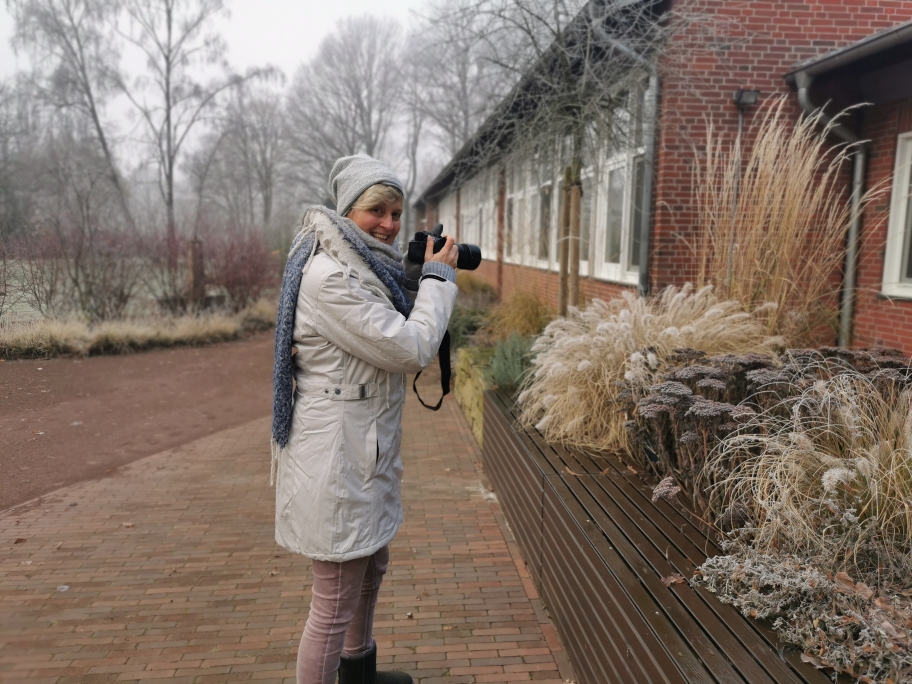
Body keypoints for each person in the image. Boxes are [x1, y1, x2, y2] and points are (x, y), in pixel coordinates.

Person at [271, 154, 458, 684]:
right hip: (336, 455)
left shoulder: (363, 262)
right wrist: (439, 281)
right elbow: (411, 346)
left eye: (397, 212)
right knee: (333, 598)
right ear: (346, 209)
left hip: (361, 446)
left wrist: (421, 275)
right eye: (377, 210)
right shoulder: (330, 275)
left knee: (369, 565)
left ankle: (359, 672)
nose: (390, 224)